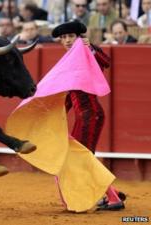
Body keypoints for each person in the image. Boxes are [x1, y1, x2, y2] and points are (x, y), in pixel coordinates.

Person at [51, 20, 126, 211]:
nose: (67, 40)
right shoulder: (69, 62)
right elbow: (69, 98)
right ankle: (112, 193)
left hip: (90, 116)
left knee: (82, 158)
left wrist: (91, 47)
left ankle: (113, 197)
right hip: (85, 117)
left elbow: (106, 61)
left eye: (71, 36)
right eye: (64, 37)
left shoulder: (85, 53)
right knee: (83, 158)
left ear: (79, 38)